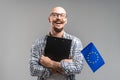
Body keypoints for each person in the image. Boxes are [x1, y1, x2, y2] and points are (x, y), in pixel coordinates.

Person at [30, 6, 84, 80]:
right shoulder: (38, 43)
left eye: (62, 15)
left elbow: (78, 68)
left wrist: (50, 64)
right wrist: (64, 66)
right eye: (55, 15)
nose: (59, 18)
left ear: (66, 20)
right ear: (49, 19)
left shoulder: (75, 42)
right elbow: (33, 70)